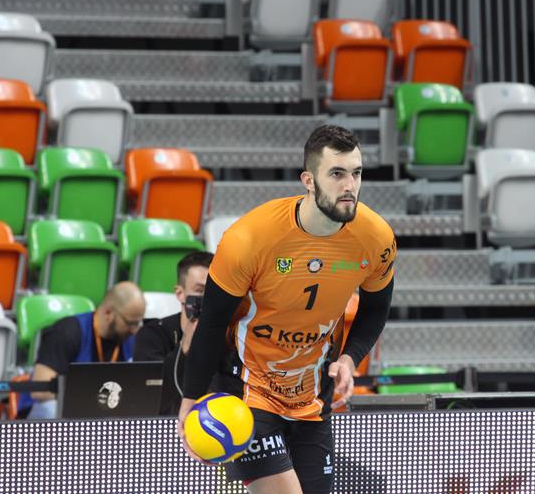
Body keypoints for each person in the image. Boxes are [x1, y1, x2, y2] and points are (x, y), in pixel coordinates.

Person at [178, 125, 396, 494]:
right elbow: (212, 323)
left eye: (356, 173)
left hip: (311, 396)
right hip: (248, 389)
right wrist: (190, 398)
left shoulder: (375, 238)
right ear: (308, 181)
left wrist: (348, 359)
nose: (350, 186)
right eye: (337, 173)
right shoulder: (249, 238)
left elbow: (375, 310)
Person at [133, 251, 250, 415]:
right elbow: (151, 393)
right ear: (180, 293)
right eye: (200, 290)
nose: (209, 297)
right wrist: (185, 349)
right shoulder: (153, 334)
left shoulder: (234, 336)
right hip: (170, 423)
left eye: (215, 290)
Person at [28, 281, 146, 419]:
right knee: (51, 410)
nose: (134, 330)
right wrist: (90, 396)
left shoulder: (130, 339)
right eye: (130, 323)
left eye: (138, 323)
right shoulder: (66, 332)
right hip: (62, 409)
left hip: (103, 409)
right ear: (108, 313)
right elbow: (40, 390)